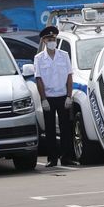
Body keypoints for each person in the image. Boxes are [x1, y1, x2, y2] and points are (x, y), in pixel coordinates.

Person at [34, 26, 77, 166]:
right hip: (49, 97)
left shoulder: (64, 55)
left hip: (62, 95)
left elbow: (69, 76)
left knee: (66, 128)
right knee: (50, 129)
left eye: (54, 39)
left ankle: (66, 157)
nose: (52, 41)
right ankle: (52, 159)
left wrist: (69, 96)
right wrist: (43, 99)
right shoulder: (39, 58)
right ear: (44, 41)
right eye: (49, 39)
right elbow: (39, 79)